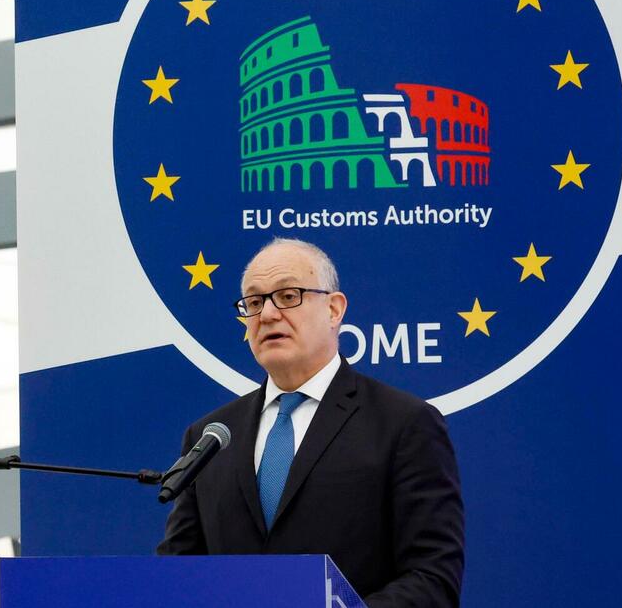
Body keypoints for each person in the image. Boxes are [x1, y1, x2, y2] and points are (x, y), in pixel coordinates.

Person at [157, 238, 464, 607]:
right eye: (253, 303)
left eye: (288, 296)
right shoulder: (212, 436)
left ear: (334, 310)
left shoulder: (403, 424)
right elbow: (177, 575)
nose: (267, 315)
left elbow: (432, 578)